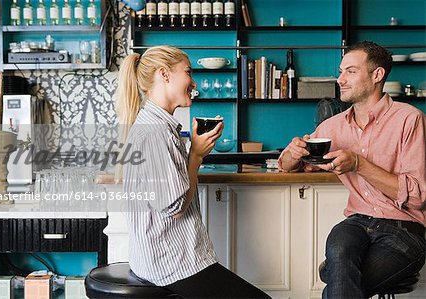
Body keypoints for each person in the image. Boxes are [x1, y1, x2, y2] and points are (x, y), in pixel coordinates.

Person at [116, 45, 270, 298]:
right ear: (164, 74)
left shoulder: (156, 126)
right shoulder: (155, 132)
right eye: (188, 71)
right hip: (171, 263)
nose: (193, 81)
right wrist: (196, 155)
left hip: (165, 259)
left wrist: (194, 152)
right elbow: (174, 207)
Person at [278, 41, 425, 298]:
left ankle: (334, 270)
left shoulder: (409, 119)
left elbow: (418, 197)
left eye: (350, 71)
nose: (340, 79)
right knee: (340, 248)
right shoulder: (333, 126)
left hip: (405, 228)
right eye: (340, 71)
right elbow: (288, 166)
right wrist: (293, 152)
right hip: (356, 223)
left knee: (336, 281)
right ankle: (337, 269)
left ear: (377, 75)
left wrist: (359, 164)